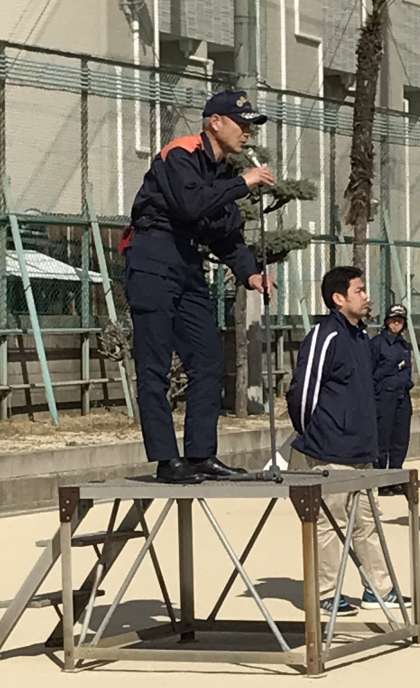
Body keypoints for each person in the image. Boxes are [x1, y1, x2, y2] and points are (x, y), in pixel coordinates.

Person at [121, 90, 275, 484]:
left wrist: (250, 274)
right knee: (154, 366)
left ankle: (200, 455)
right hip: (152, 256)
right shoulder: (181, 154)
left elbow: (226, 234)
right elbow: (191, 205)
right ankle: (166, 460)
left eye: (251, 126)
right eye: (241, 124)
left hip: (188, 262)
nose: (247, 133)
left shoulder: (222, 174)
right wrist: (243, 182)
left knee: (207, 359)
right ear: (215, 122)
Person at [286, 266, 410, 616]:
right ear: (338, 298)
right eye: (359, 290)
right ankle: (326, 593)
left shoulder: (360, 338)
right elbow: (303, 391)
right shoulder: (324, 335)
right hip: (331, 450)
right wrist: (314, 431)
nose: (366, 296)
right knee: (331, 523)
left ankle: (378, 589)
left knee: (368, 522)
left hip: (361, 450)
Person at [370, 304, 413, 495]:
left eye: (400, 321)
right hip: (383, 398)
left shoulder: (405, 346)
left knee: (400, 439)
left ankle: (396, 478)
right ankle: (381, 481)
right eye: (394, 320)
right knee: (383, 440)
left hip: (402, 397)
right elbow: (370, 373)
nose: (397, 324)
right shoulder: (377, 344)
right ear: (387, 322)